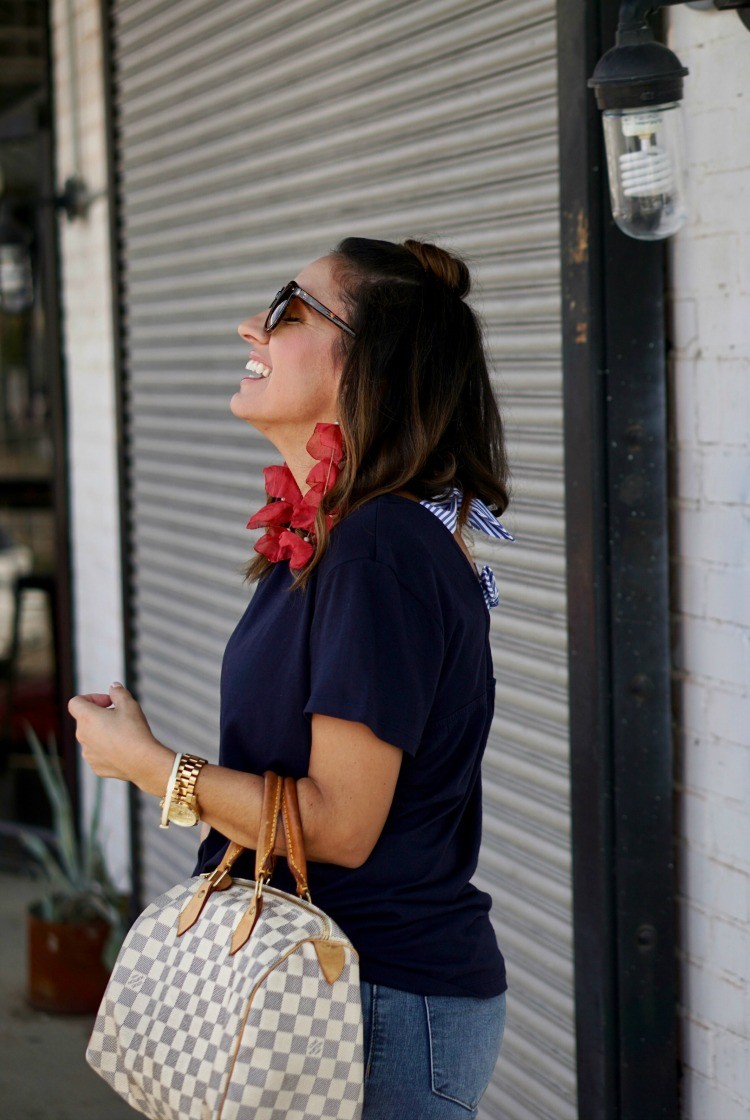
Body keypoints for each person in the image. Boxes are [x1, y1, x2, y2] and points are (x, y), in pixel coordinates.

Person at [69, 236, 513, 1119]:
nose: (251, 325)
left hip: (370, 1005)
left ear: (371, 366)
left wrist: (152, 766)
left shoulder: (379, 547)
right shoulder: (339, 539)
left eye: (289, 310)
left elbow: (339, 826)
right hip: (326, 989)